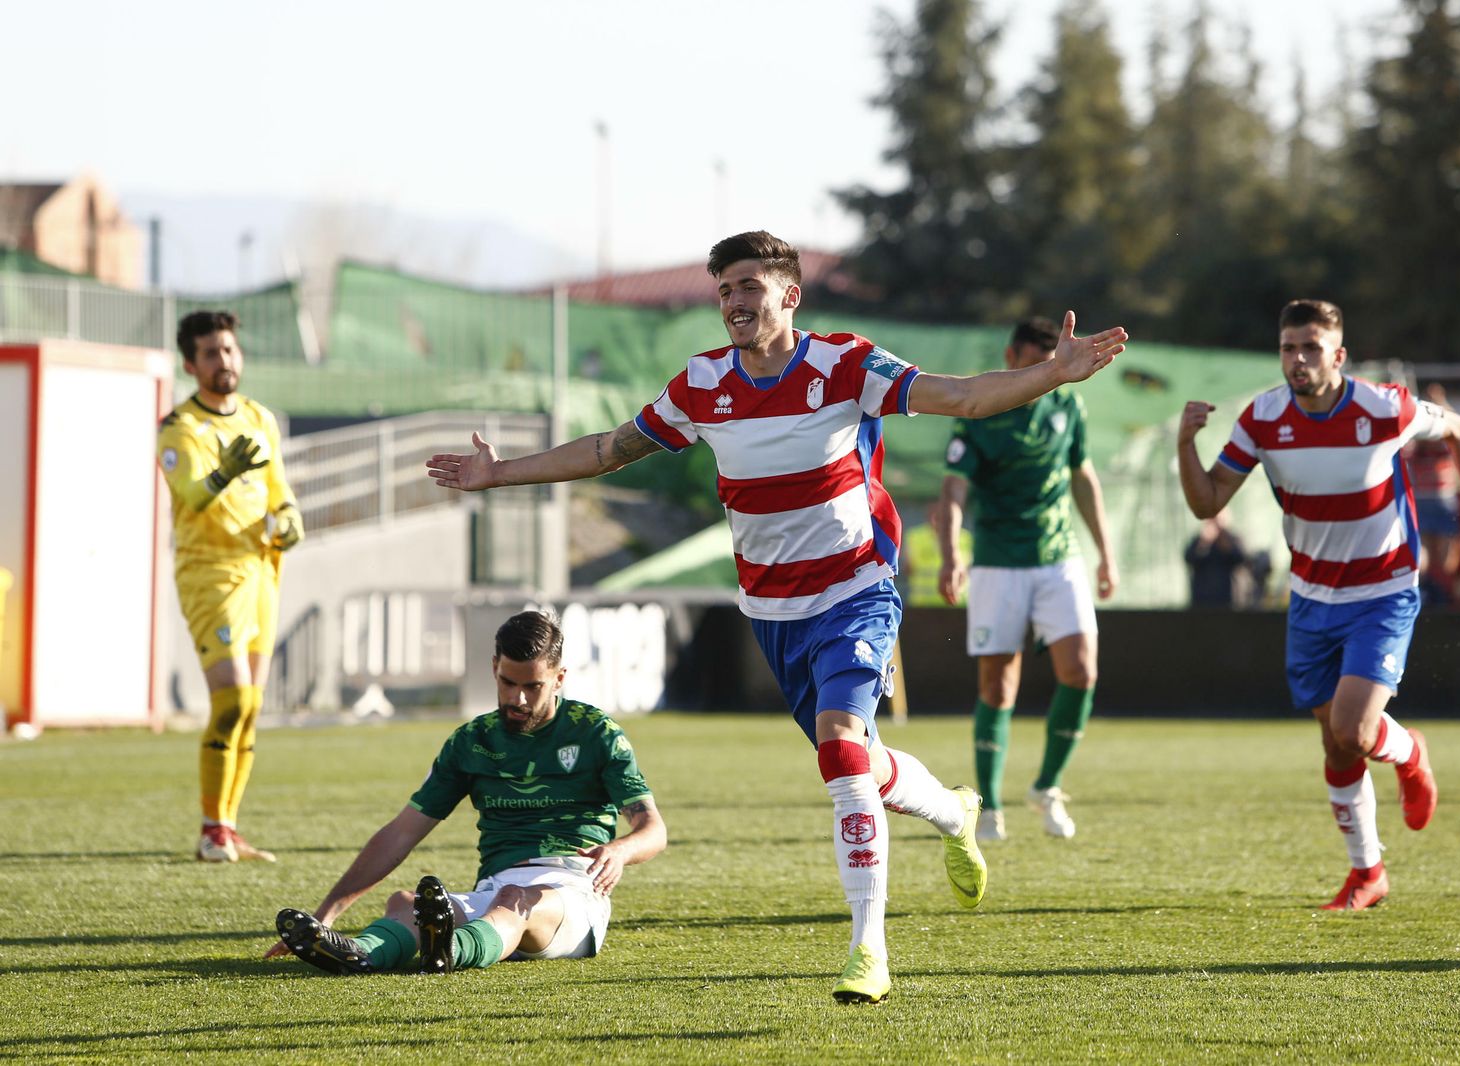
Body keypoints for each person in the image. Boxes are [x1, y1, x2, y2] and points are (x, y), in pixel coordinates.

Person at [427, 230, 1127, 1003]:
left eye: (750, 286)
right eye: (725, 288)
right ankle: (955, 810)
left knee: (838, 752)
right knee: (860, 764)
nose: (734, 301)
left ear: (789, 296)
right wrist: (498, 476)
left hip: (857, 589)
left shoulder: (844, 365)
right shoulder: (702, 385)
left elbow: (960, 395)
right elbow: (606, 451)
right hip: (773, 610)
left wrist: (1049, 377)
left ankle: (869, 950)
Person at [1176, 299, 1460, 911]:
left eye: (1311, 348)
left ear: (1338, 356)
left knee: (1353, 729)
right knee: (1337, 745)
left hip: (1384, 591)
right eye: (1288, 348)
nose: (1298, 360)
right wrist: (1185, 444)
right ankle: (1367, 873)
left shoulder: (1383, 407)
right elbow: (1206, 502)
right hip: (1311, 598)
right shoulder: (1262, 419)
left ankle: (1410, 753)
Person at [267, 610, 666, 976]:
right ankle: (360, 953)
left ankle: (449, 948)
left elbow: (652, 828)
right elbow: (401, 833)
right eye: (508, 683)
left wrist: (620, 850)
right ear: (494, 668)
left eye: (533, 686)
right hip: (493, 888)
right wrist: (327, 914)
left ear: (559, 678)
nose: (518, 699)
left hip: (572, 891)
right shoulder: (472, 742)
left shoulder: (595, 732)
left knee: (516, 900)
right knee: (406, 904)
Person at [930, 316, 1118, 843]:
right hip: (996, 562)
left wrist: (1106, 553)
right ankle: (987, 808)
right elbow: (953, 490)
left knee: (1081, 671)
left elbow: (1083, 478)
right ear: (1012, 357)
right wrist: (952, 555)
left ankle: (1047, 787)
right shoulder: (980, 412)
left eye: (1053, 362)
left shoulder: (1067, 404)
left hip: (1060, 558)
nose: (1047, 372)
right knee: (998, 684)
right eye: (1038, 361)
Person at [158, 310, 302, 864]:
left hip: (262, 570)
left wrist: (289, 518)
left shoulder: (260, 417)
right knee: (232, 698)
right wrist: (224, 472)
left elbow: (278, 489)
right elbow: (194, 497)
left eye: (230, 350)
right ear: (191, 364)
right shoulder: (179, 427)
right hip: (209, 573)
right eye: (212, 353)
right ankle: (210, 829)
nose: (225, 361)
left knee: (252, 705)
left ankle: (228, 826)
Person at [1405, 384, 1460, 603]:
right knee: (1432, 555)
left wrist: (1440, 401)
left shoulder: (1436, 445)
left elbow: (1459, 427)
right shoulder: (1423, 445)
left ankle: (1440, 592)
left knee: (1440, 554)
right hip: (1429, 499)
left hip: (1436, 499)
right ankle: (1434, 593)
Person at [1184, 511, 1249, 607]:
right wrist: (1204, 543)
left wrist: (1226, 545)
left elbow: (1241, 559)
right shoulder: (1199, 540)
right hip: (1201, 600)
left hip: (1228, 599)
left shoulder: (1233, 539)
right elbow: (1189, 558)